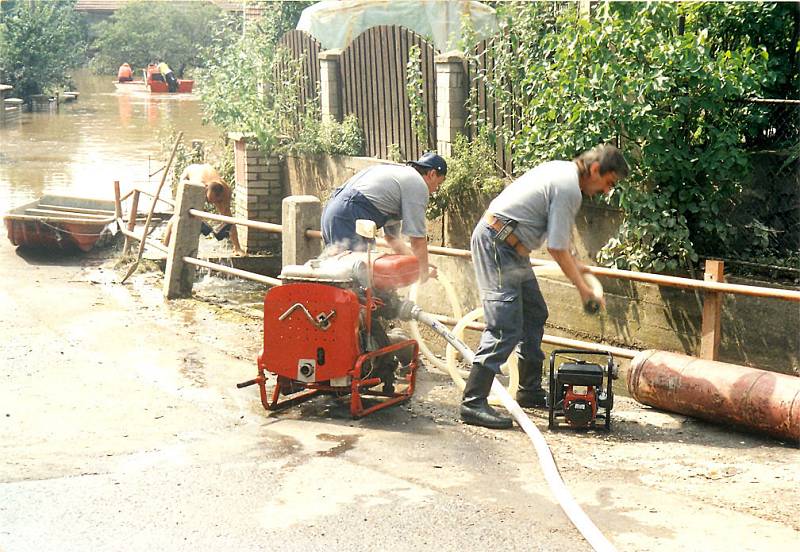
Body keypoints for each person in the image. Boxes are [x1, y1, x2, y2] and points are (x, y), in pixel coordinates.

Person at [460, 144, 629, 429]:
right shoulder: (569, 188)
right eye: (608, 183)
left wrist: (579, 267)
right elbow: (556, 248)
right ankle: (472, 403)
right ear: (596, 169)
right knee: (505, 326)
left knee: (535, 313)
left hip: (510, 246)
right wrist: (583, 289)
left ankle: (528, 390)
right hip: (498, 243)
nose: (607, 191)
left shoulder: (562, 173)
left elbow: (560, 243)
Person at [321, 152, 447, 283]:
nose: (435, 190)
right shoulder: (418, 185)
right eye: (438, 184)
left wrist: (416, 265)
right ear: (432, 174)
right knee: (356, 280)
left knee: (338, 277)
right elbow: (417, 239)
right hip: (351, 215)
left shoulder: (401, 178)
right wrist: (423, 272)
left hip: (333, 211)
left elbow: (392, 239)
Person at [162, 163, 245, 256]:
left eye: (216, 201)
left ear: (221, 196)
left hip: (208, 178)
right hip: (189, 175)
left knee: (227, 216)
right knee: (180, 214)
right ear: (205, 190)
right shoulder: (197, 185)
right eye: (209, 201)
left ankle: (237, 248)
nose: (213, 204)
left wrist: (236, 245)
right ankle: (165, 248)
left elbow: (229, 220)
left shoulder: (226, 191)